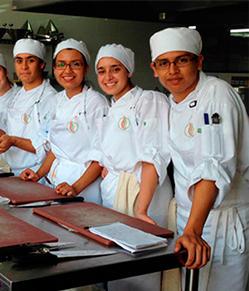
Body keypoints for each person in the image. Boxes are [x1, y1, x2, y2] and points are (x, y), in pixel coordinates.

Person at [150, 27, 249, 290]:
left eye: (182, 60)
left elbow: (212, 166)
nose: (172, 70)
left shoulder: (216, 95)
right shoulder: (171, 102)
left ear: (199, 61)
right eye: (164, 63)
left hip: (219, 222)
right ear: (154, 69)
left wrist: (193, 230)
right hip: (189, 219)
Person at [95, 43, 173, 291]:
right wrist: (106, 167)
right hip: (114, 193)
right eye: (102, 71)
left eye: (115, 69)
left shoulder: (150, 100)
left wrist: (142, 209)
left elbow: (153, 157)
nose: (108, 77)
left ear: (128, 71)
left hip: (145, 193)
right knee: (117, 263)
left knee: (141, 267)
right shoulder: (110, 107)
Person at [19, 39, 108, 204]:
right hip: (57, 184)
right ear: (54, 69)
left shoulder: (96, 102)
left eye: (75, 64)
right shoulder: (56, 100)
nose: (68, 70)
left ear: (86, 69)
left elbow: (100, 157)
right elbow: (56, 148)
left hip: (84, 187)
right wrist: (38, 174)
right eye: (61, 64)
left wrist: (75, 188)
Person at [0, 38, 57, 176]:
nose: (24, 67)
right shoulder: (18, 95)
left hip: (37, 173)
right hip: (14, 171)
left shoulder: (50, 98)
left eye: (31, 60)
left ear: (41, 64)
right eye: (19, 61)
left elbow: (49, 147)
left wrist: (13, 140)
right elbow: (11, 137)